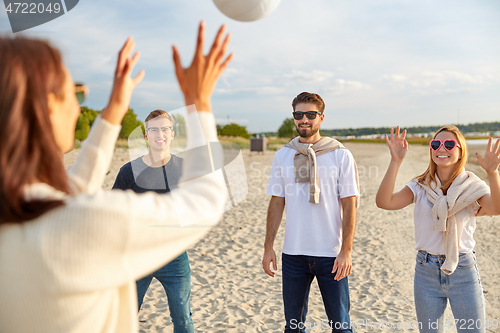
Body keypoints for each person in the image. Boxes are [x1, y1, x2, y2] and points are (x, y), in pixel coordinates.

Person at [0, 21, 233, 333]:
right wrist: (199, 102)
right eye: (75, 93)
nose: (79, 108)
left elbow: (69, 193)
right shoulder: (85, 223)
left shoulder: (18, 211)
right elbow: (207, 201)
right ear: (47, 107)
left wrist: (114, 110)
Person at [376, 126, 500, 333]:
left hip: (463, 270)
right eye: (436, 144)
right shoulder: (420, 185)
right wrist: (395, 161)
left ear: (460, 151)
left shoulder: (472, 186)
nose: (441, 148)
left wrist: (492, 173)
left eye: (449, 144)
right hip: (426, 272)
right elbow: (384, 201)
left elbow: (495, 208)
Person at [262, 92, 359, 333]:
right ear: (294, 117)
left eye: (310, 114)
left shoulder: (340, 154)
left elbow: (350, 204)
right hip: (293, 254)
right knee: (293, 327)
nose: (304, 119)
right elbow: (276, 201)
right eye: (299, 115)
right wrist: (268, 247)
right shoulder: (283, 155)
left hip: (331, 254)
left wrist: (346, 251)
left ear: (321, 118)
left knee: (341, 326)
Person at [112, 110, 194, 332]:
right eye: (154, 129)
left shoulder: (185, 169)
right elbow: (114, 213)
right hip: (138, 256)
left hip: (174, 256)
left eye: (165, 129)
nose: (160, 134)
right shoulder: (128, 171)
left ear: (172, 134)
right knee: (124, 317)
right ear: (146, 135)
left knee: (183, 319)